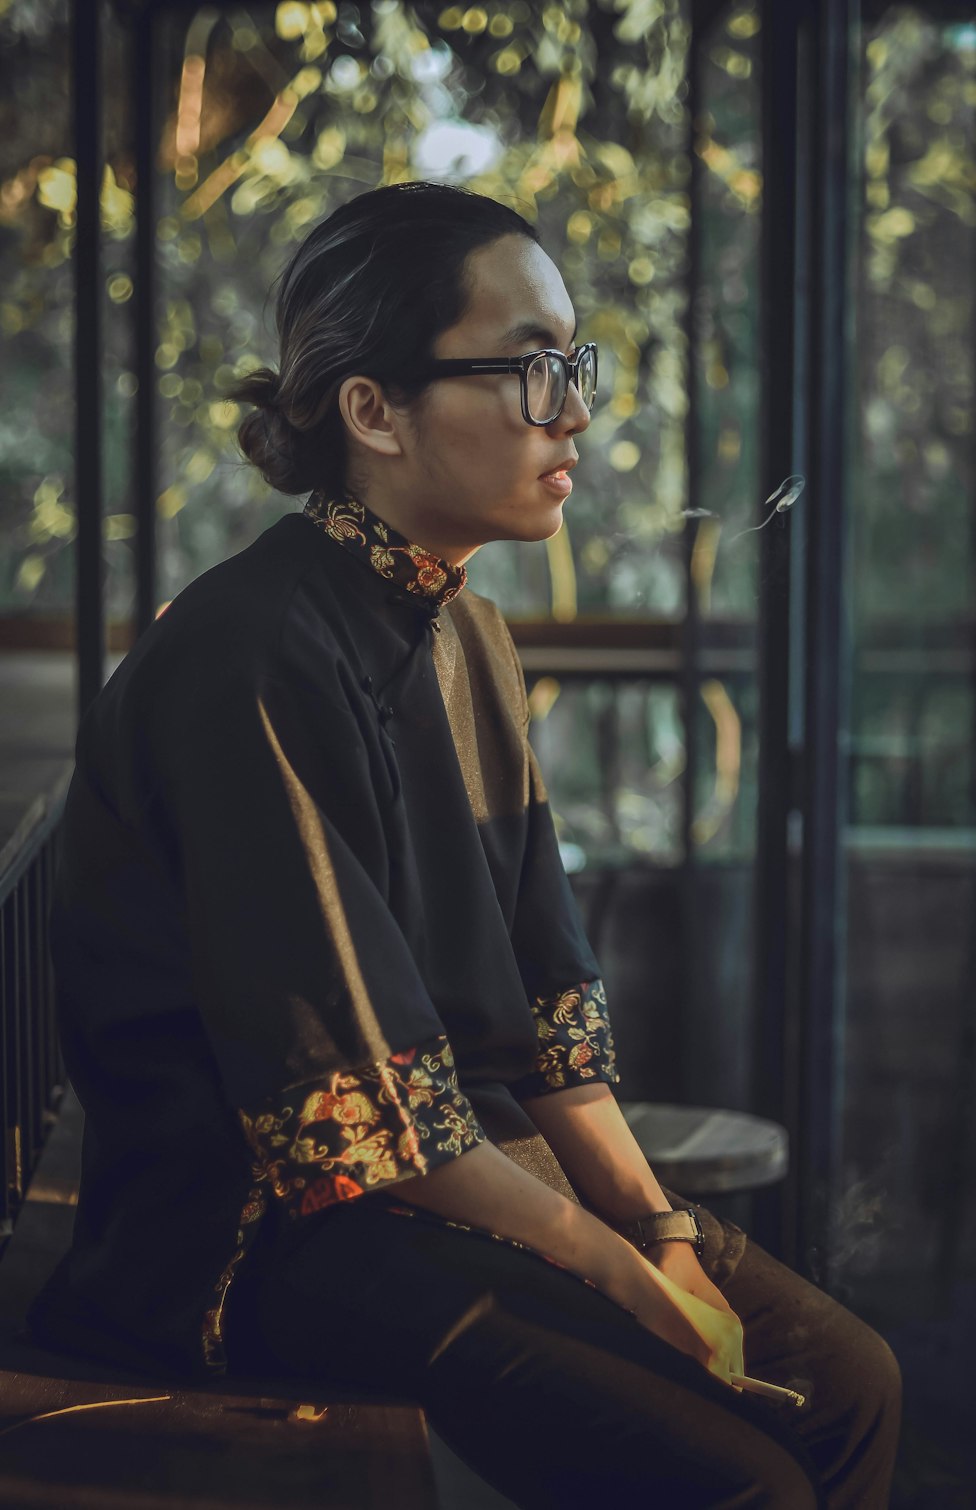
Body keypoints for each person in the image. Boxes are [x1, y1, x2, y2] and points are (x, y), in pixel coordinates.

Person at [30, 181, 900, 1508]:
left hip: (452, 1184)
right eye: (534, 369)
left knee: (856, 1377)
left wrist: (658, 1228)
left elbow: (552, 1006)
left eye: (576, 363)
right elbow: (353, 1117)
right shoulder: (248, 654)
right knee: (740, 1483)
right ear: (371, 410)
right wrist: (616, 1269)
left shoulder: (467, 629)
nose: (577, 411)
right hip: (259, 1237)